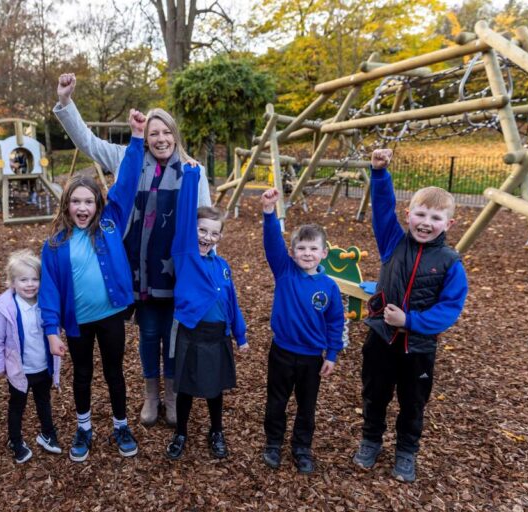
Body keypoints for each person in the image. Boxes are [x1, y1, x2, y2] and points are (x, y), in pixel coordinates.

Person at [55, 72, 211, 427]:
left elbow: (205, 220)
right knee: (149, 334)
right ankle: (151, 396)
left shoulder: (193, 171)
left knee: (174, 336)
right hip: (139, 269)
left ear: (175, 135)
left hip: (177, 270)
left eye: (166, 132)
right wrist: (66, 102)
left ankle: (172, 396)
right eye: (154, 133)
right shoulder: (129, 157)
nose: (160, 139)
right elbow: (88, 142)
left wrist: (206, 264)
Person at [352, 149, 468, 483]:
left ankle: (406, 451)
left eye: (435, 218)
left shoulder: (450, 263)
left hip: (418, 347)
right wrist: (379, 173)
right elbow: (382, 209)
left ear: (448, 224)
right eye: (420, 214)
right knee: (375, 394)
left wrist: (410, 321)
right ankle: (371, 440)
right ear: (408, 215)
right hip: (381, 338)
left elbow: (449, 308)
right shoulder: (392, 242)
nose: (426, 223)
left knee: (413, 402)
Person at [39, 109, 146, 462]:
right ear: (66, 205)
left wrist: (137, 137)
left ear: (98, 204)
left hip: (111, 315)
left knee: (115, 372)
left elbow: (126, 182)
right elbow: (49, 291)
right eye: (76, 201)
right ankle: (83, 427)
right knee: (82, 374)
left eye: (88, 201)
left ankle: (120, 425)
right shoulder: (55, 244)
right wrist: (51, 330)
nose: (82, 207)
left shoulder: (111, 222)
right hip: (78, 323)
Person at [164, 162, 248, 461]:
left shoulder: (222, 266)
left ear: (220, 238)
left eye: (214, 233)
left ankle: (216, 431)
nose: (207, 237)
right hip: (191, 333)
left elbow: (231, 302)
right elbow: (186, 213)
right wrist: (191, 176)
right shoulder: (186, 255)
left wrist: (240, 334)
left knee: (214, 390)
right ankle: (181, 433)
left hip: (217, 336)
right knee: (186, 389)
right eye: (202, 230)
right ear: (192, 231)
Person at [259, 188, 345, 474]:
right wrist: (269, 212)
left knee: (307, 405)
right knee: (277, 401)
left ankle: (301, 447)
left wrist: (331, 354)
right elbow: (272, 242)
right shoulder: (284, 271)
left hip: (311, 358)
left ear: (324, 253)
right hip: (282, 352)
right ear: (292, 252)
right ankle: (273, 443)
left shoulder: (329, 286)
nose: (307, 253)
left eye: (313, 249)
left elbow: (335, 322)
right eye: (301, 248)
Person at [0, 249, 62, 463]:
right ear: (12, 282)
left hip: (43, 366)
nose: (30, 284)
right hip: (19, 370)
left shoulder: (46, 304)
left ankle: (48, 433)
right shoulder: (5, 308)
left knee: (43, 401)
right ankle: (15, 440)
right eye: (23, 280)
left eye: (35, 279)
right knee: (17, 405)